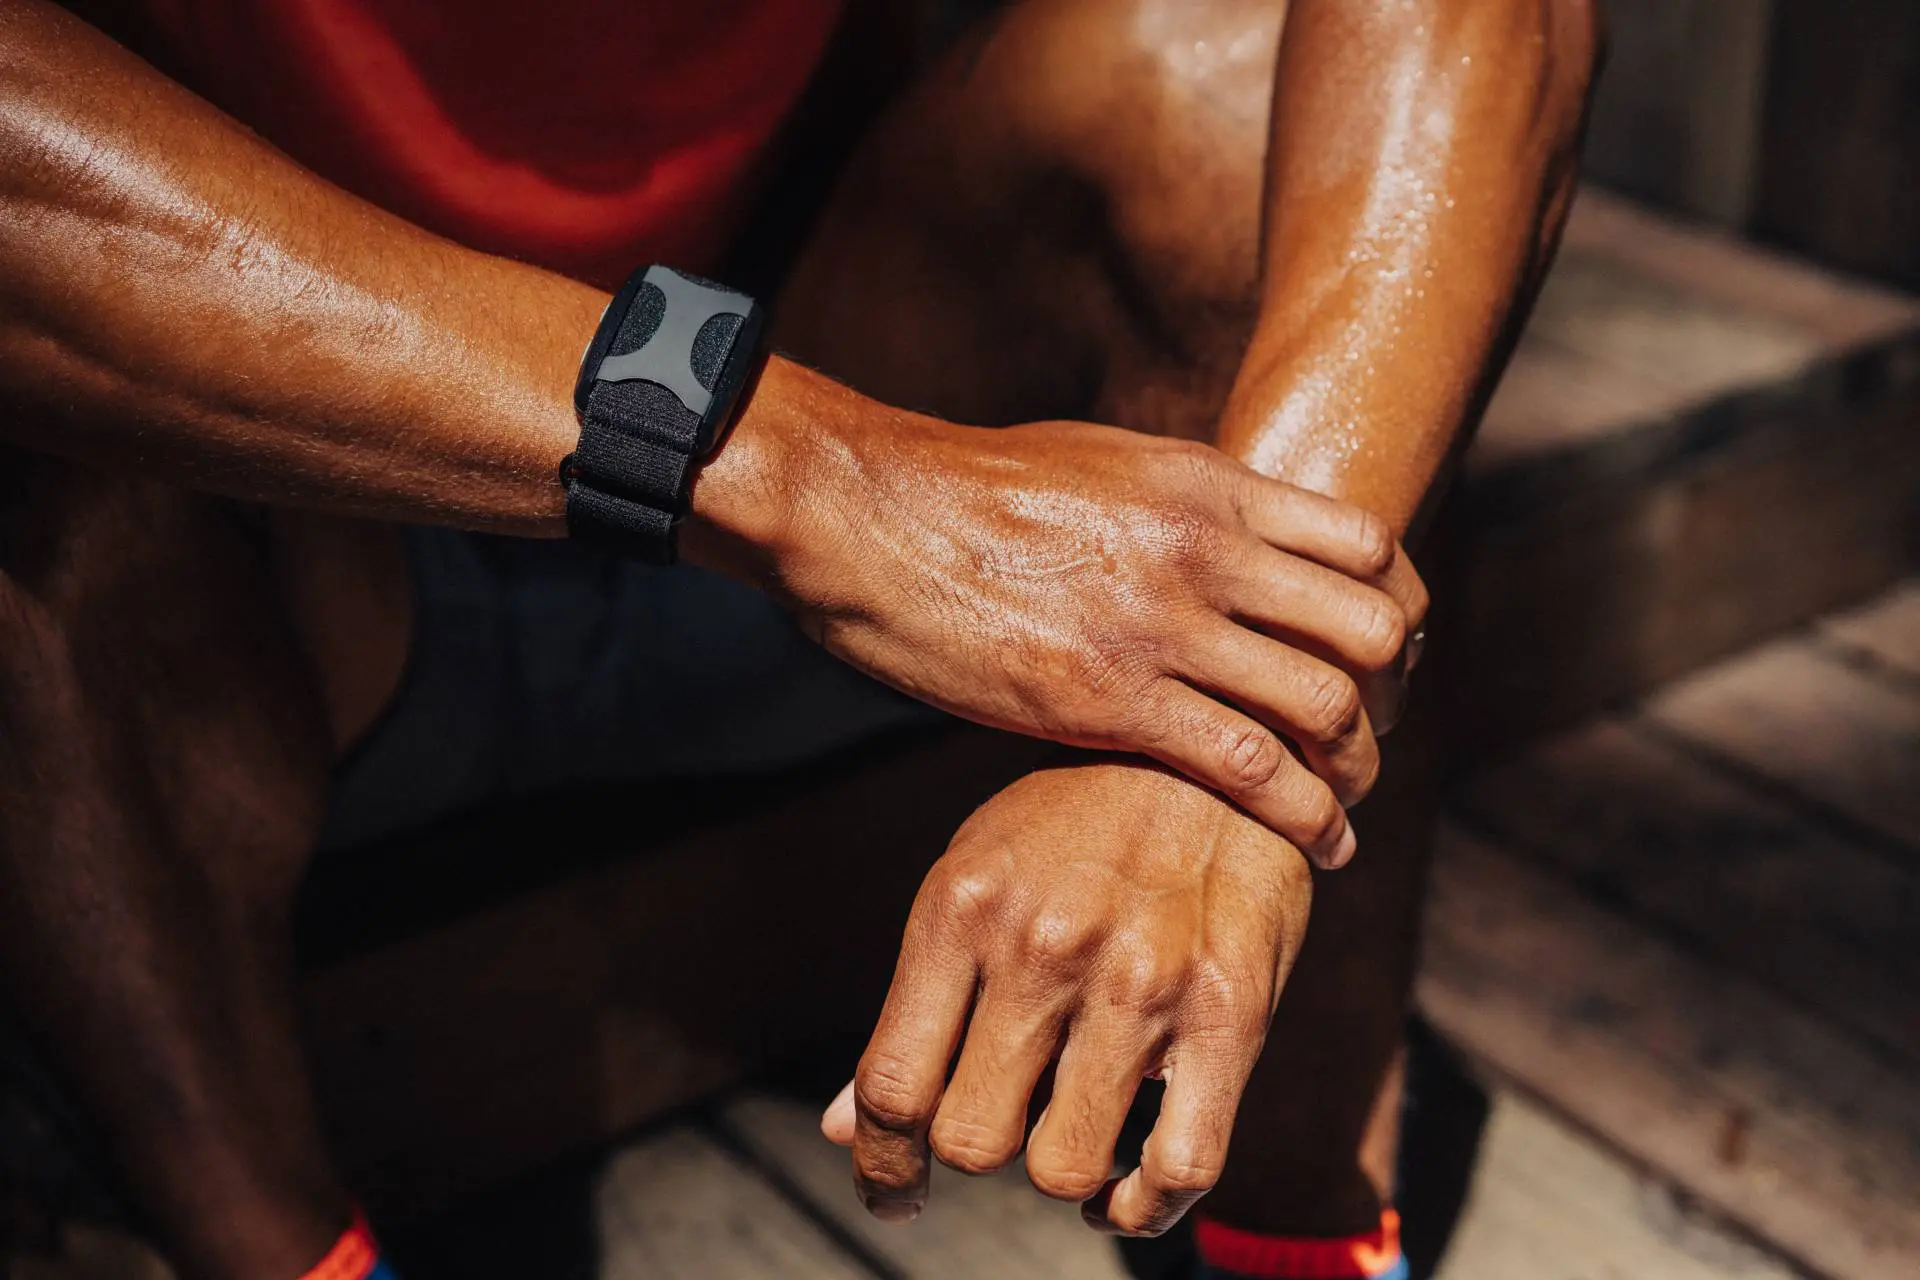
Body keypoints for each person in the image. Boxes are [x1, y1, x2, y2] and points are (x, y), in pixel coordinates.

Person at [0, 1, 1599, 1278]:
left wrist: (1228, 737)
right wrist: (805, 476)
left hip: (834, 408)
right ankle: (287, 1259)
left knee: (1217, 76)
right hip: (284, 513)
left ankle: (1299, 1231)